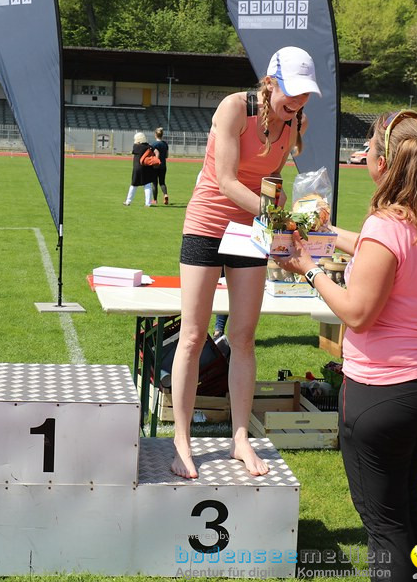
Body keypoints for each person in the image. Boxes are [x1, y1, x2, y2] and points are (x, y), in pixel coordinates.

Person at [279, 110, 417, 582]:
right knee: (405, 503)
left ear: (381, 163)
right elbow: (383, 246)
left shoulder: (387, 224)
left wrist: (310, 269)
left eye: (367, 154)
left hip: (385, 393)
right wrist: (326, 233)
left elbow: (358, 312)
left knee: (384, 527)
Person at [170, 46, 320, 479]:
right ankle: (182, 439)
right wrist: (278, 217)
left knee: (244, 337)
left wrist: (299, 208)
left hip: (252, 231)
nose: (299, 102)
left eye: (306, 94)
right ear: (270, 82)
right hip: (207, 223)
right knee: (194, 334)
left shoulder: (297, 121)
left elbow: (269, 180)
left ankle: (240, 438)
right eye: (292, 93)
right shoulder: (235, 108)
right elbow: (227, 181)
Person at [124, 132, 157, 206]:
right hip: (147, 168)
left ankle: (128, 201)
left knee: (133, 185)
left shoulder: (135, 147)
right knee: (147, 185)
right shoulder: (149, 147)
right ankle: (148, 203)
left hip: (137, 168)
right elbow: (155, 151)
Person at [151, 127, 170, 204]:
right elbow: (167, 156)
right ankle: (165, 194)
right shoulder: (165, 144)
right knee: (162, 182)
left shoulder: (153, 144)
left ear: (155, 135)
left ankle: (155, 200)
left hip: (155, 166)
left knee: (154, 183)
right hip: (163, 165)